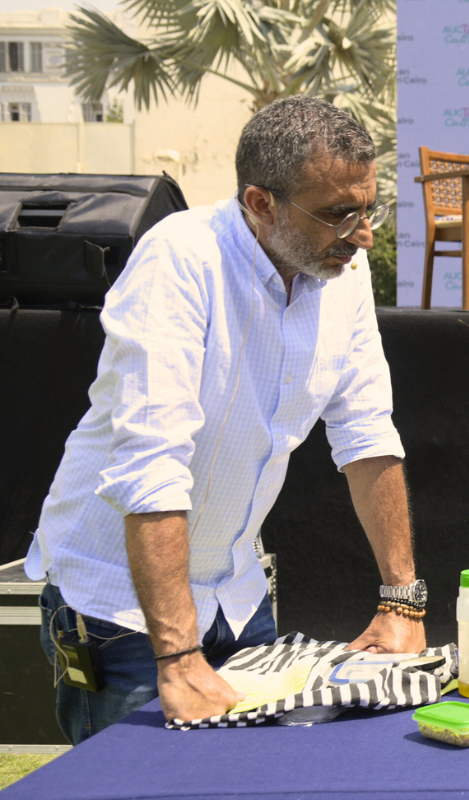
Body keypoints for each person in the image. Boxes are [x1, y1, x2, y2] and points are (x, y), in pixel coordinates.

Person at [26, 95, 425, 742]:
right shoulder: (179, 260)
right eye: (337, 214)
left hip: (237, 604)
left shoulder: (341, 274)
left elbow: (368, 435)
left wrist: (400, 600)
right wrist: (178, 657)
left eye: (369, 207)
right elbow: (152, 463)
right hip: (122, 616)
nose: (364, 235)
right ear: (260, 203)